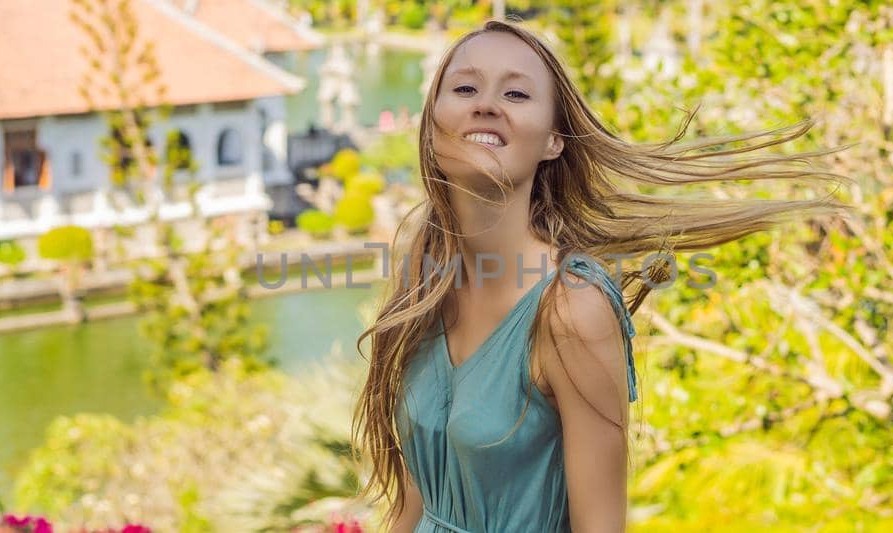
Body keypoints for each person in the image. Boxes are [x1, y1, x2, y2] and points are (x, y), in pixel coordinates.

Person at [352, 20, 839, 532]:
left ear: (553, 142)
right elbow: (412, 505)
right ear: (431, 126)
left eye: (515, 92)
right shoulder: (423, 275)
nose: (486, 104)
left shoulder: (570, 306)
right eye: (466, 87)